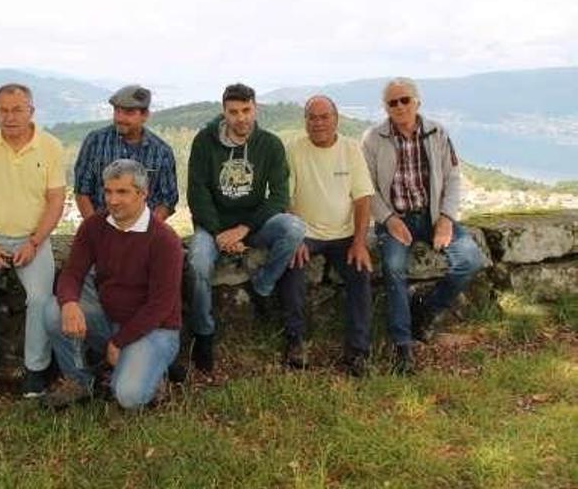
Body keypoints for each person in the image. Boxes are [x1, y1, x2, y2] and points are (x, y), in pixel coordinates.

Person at [362, 77, 484, 374]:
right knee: (393, 268)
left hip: (432, 216)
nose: (400, 106)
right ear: (385, 107)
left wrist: (445, 218)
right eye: (393, 102)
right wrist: (389, 220)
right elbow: (366, 187)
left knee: (469, 260)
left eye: (406, 99)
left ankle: (428, 309)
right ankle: (403, 344)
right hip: (396, 218)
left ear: (417, 101)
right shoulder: (373, 139)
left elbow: (454, 178)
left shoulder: (437, 132)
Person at [42, 160, 182, 409]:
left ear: (143, 194)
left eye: (122, 192)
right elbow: (72, 273)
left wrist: (120, 341)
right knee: (54, 310)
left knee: (128, 396)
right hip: (108, 319)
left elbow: (161, 306)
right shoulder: (94, 227)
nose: (112, 200)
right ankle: (80, 381)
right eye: (108, 191)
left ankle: (155, 374)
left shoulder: (164, 240)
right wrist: (70, 303)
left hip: (155, 329)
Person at [186, 83, 305, 372]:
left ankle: (263, 285)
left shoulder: (270, 145)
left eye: (246, 110)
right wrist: (217, 233)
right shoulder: (205, 142)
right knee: (198, 263)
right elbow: (197, 193)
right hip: (212, 227)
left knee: (294, 228)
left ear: (256, 108)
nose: (241, 118)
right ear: (224, 112)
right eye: (233, 112)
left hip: (253, 224)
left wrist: (244, 230)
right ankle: (204, 332)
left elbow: (278, 196)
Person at [0, 83, 65, 399]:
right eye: (3, 111)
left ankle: (36, 369)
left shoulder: (50, 147)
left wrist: (34, 242)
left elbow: (56, 201)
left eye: (17, 109)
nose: (10, 117)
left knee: (40, 299)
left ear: (31, 111)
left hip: (33, 239)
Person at [278, 95, 375, 376]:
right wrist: (295, 236)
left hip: (345, 235)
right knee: (292, 268)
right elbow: (288, 197)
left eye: (324, 117)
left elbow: (362, 199)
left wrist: (359, 242)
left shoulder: (351, 149)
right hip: (306, 233)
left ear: (336, 119)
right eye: (312, 117)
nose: (318, 123)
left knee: (361, 273)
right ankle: (295, 342)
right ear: (305, 121)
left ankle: (358, 351)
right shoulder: (294, 149)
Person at [73, 84, 178, 220]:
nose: (120, 118)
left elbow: (167, 199)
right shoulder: (95, 142)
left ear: (145, 115)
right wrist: (95, 230)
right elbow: (82, 192)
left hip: (144, 231)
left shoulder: (161, 151)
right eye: (117, 111)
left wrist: (148, 230)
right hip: (101, 226)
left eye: (128, 113)